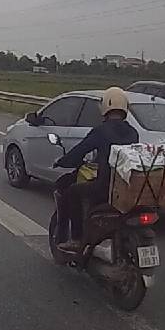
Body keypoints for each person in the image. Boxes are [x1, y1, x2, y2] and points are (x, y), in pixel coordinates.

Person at [54, 87, 139, 253]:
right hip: (125, 189)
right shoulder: (133, 132)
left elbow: (80, 150)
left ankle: (76, 239)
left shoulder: (100, 131)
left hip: (104, 188)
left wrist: (62, 161)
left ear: (105, 106)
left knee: (72, 191)